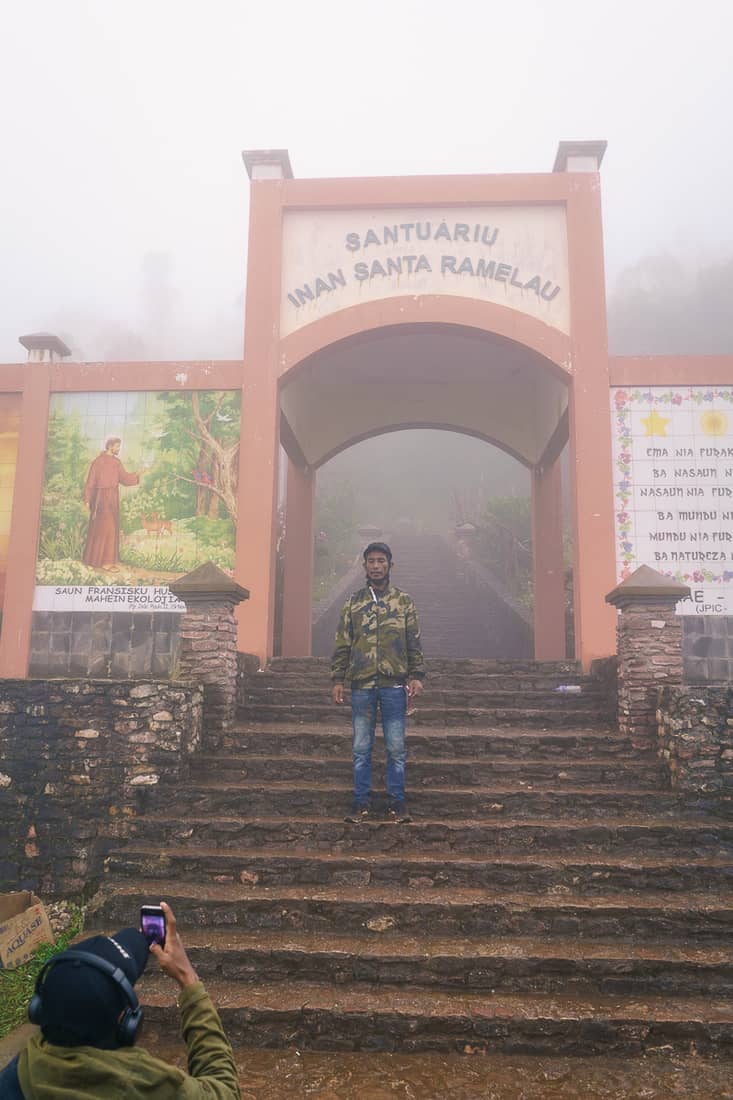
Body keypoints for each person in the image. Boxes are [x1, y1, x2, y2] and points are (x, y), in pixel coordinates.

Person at [0, 901, 240, 1100]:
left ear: (39, 1009)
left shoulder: (16, 1077)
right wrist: (188, 979)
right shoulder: (146, 1085)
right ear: (126, 1023)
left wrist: (137, 940)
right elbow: (225, 1090)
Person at [331, 541, 425, 823]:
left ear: (389, 566)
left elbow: (413, 642)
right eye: (371, 561)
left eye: (380, 561)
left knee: (396, 748)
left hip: (394, 685)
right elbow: (343, 643)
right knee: (361, 748)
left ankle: (397, 803)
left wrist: (417, 675)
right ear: (365, 566)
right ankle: (361, 803)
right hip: (361, 686)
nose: (375, 566)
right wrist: (338, 678)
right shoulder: (353, 603)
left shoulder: (404, 602)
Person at [82, 436, 139, 569]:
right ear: (110, 446)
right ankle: (105, 563)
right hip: (101, 498)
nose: (119, 449)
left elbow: (124, 479)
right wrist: (87, 499)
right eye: (117, 446)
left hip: (113, 496)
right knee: (107, 528)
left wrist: (137, 474)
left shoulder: (116, 462)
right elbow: (90, 482)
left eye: (119, 446)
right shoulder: (98, 462)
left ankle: (96, 561)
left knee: (109, 528)